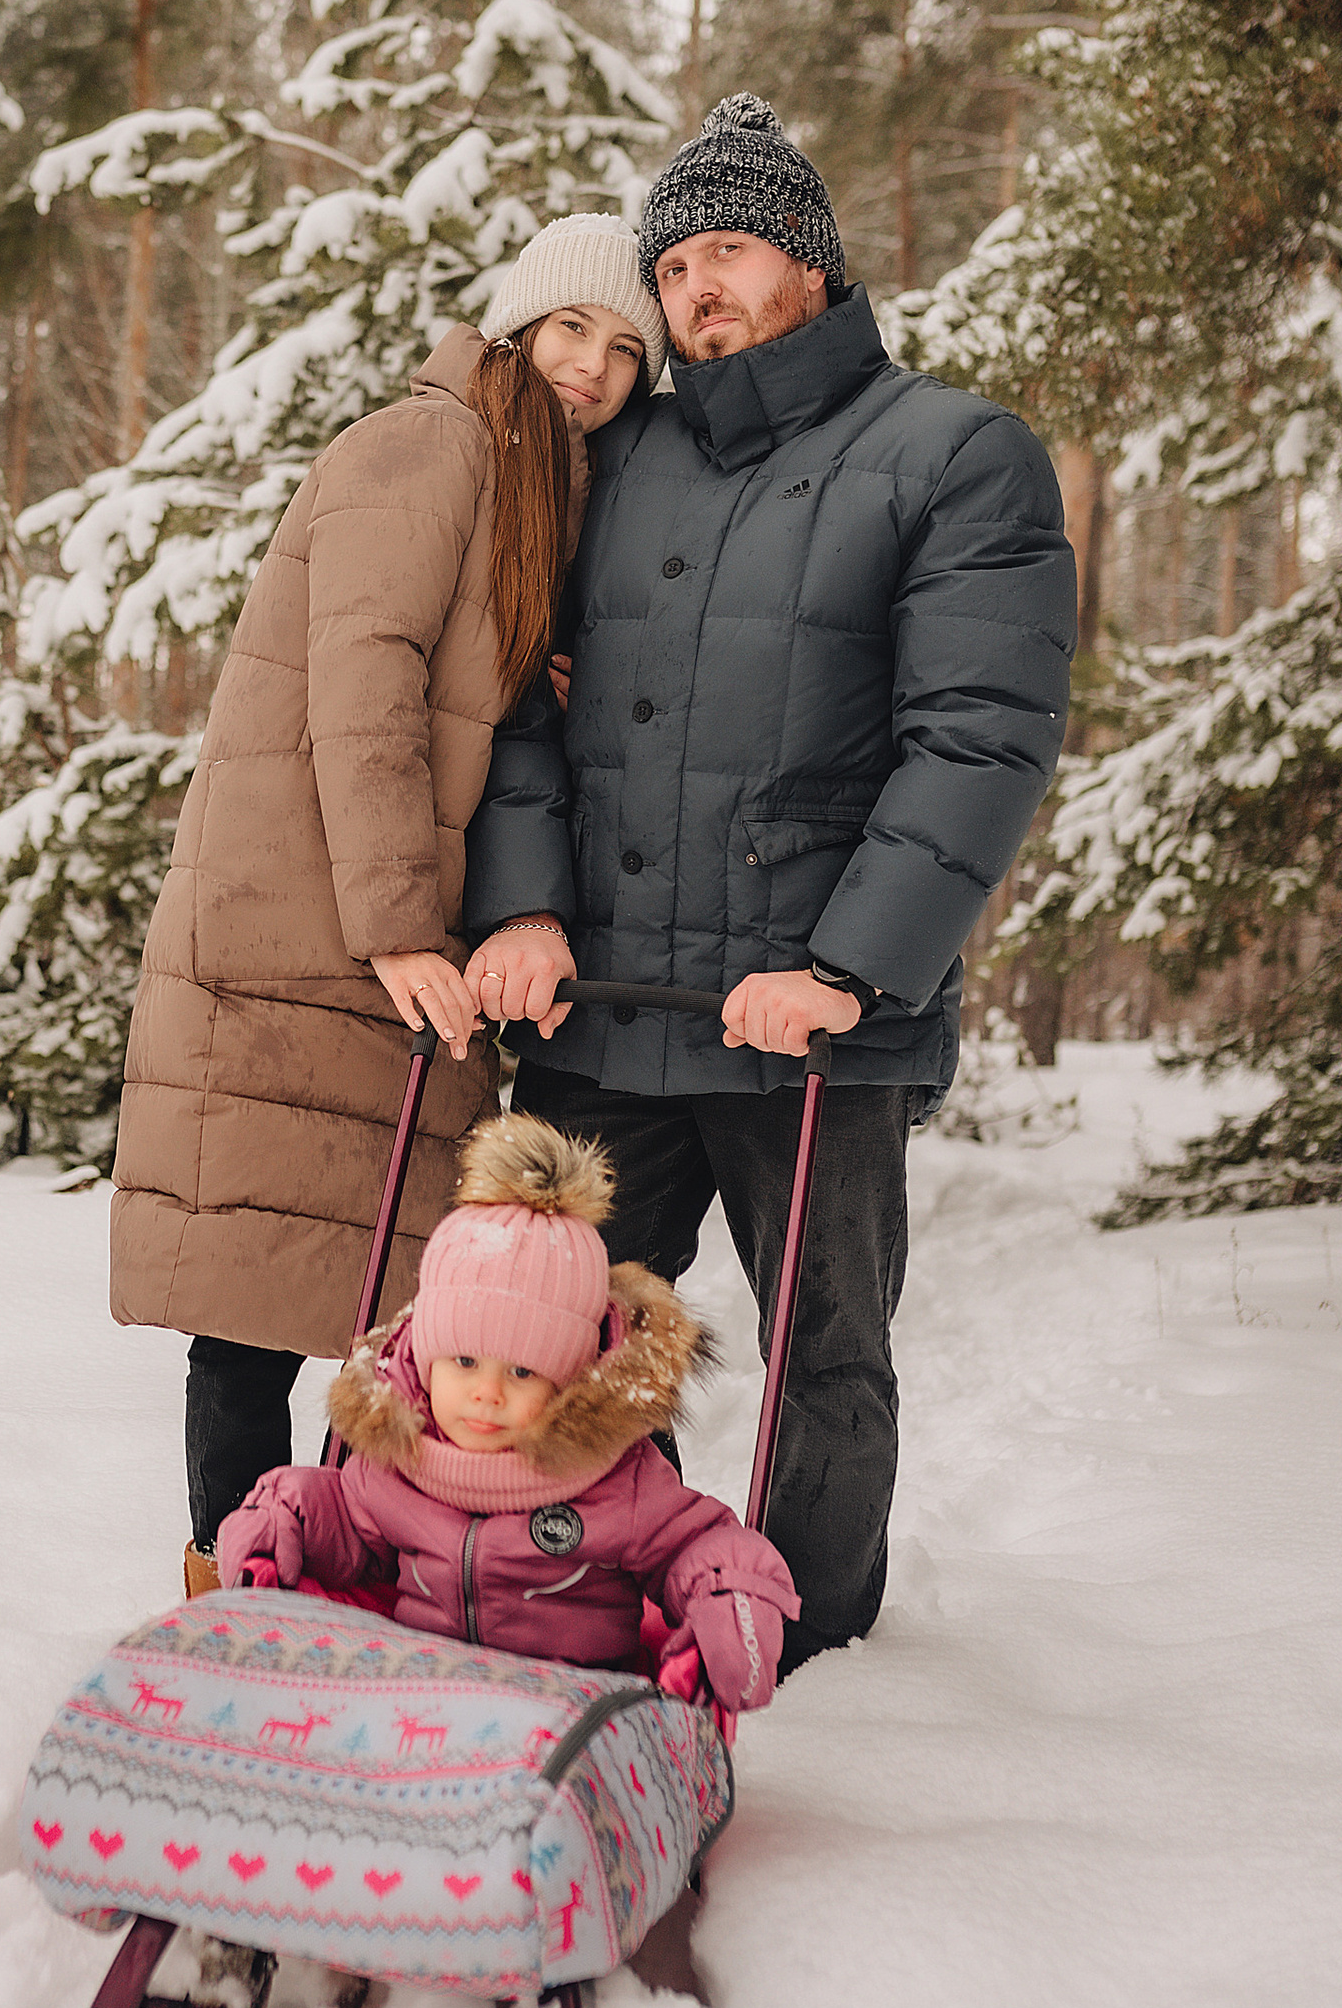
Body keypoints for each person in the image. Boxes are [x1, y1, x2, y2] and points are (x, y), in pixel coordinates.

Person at [463, 93, 1077, 1675]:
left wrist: (853, 968)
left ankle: (805, 1651)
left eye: (728, 253)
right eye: (672, 270)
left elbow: (979, 742)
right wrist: (523, 907)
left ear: (810, 263)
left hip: (806, 1021)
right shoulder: (625, 457)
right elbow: (524, 696)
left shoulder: (951, 455)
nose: (694, 294)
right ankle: (574, 1603)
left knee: (824, 1359)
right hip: (611, 1011)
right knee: (556, 1339)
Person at [110, 218, 662, 1584]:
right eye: (573, 330)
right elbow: (360, 694)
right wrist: (402, 926)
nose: (591, 367)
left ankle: (346, 1586)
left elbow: (466, 690)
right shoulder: (428, 446)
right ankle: (228, 1585)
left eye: (625, 349)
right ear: (521, 325)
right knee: (252, 1304)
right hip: (301, 943)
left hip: (378, 959)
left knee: (387, 1313)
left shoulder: (536, 485)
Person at [212, 1111, 795, 1709]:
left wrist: (730, 1597)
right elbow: (346, 1518)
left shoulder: (615, 1479)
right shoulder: (404, 1458)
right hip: (422, 1699)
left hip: (575, 1711)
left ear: (571, 1379)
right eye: (463, 1361)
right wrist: (287, 1514)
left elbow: (695, 1544)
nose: (486, 1393)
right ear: (425, 1358)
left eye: (521, 1372)